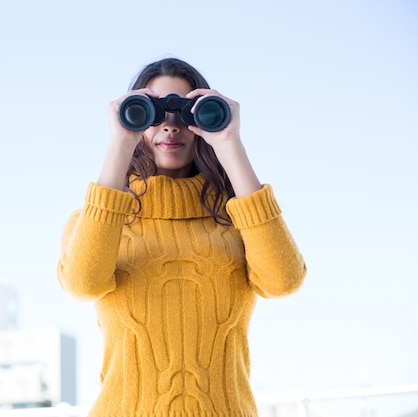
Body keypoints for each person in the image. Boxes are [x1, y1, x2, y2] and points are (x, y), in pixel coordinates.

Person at [57, 57, 306, 417]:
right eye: (154, 113)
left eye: (186, 112)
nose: (170, 127)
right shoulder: (98, 220)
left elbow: (284, 281)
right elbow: (82, 284)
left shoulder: (236, 220)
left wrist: (230, 143)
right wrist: (120, 143)